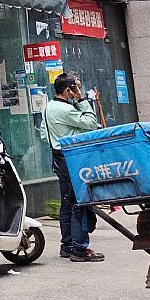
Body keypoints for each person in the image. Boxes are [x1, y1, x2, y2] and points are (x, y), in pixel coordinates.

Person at [43, 72, 103, 263]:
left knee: (67, 202)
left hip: (58, 158)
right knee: (79, 202)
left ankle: (67, 245)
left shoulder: (49, 107)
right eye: (76, 88)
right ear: (68, 90)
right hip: (72, 159)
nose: (78, 91)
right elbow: (91, 123)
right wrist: (82, 100)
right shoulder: (65, 109)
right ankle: (79, 248)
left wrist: (70, 131)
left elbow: (45, 134)